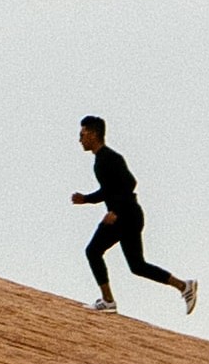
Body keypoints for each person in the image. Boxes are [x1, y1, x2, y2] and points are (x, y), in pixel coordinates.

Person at [71, 115, 198, 315]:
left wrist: (115, 211)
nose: (80, 139)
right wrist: (86, 199)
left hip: (125, 215)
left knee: (93, 251)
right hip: (130, 215)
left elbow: (130, 183)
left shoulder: (108, 158)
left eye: (82, 134)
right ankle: (184, 286)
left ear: (94, 134)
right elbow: (108, 190)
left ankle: (108, 301)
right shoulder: (101, 160)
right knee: (137, 265)